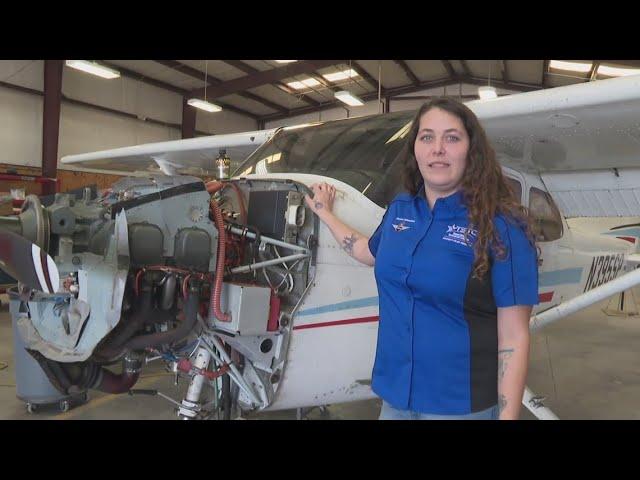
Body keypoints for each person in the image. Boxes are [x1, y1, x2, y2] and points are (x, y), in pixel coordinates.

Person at [304, 97, 538, 420]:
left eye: (452, 138)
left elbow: (514, 336)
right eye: (427, 137)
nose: (437, 148)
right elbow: (366, 251)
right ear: (415, 148)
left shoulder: (503, 226)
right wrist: (323, 213)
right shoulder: (400, 211)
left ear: (472, 151)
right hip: (395, 400)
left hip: (459, 406)